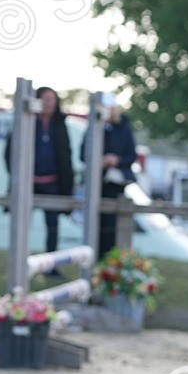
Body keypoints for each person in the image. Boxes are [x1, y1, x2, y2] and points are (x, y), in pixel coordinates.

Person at [4, 86, 74, 275]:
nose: (50, 103)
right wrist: (17, 177)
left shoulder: (59, 124)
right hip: (29, 182)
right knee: (21, 224)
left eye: (53, 99)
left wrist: (67, 185)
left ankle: (51, 266)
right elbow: (11, 151)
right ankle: (18, 264)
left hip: (52, 183)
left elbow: (66, 155)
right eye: (46, 99)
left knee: (53, 226)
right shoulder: (27, 121)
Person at [80, 92, 137, 259]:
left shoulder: (123, 128)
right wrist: (99, 160)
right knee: (94, 224)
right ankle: (93, 260)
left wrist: (115, 160)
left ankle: (111, 261)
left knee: (112, 226)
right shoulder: (92, 127)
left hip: (115, 185)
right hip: (96, 183)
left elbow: (131, 156)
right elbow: (83, 154)